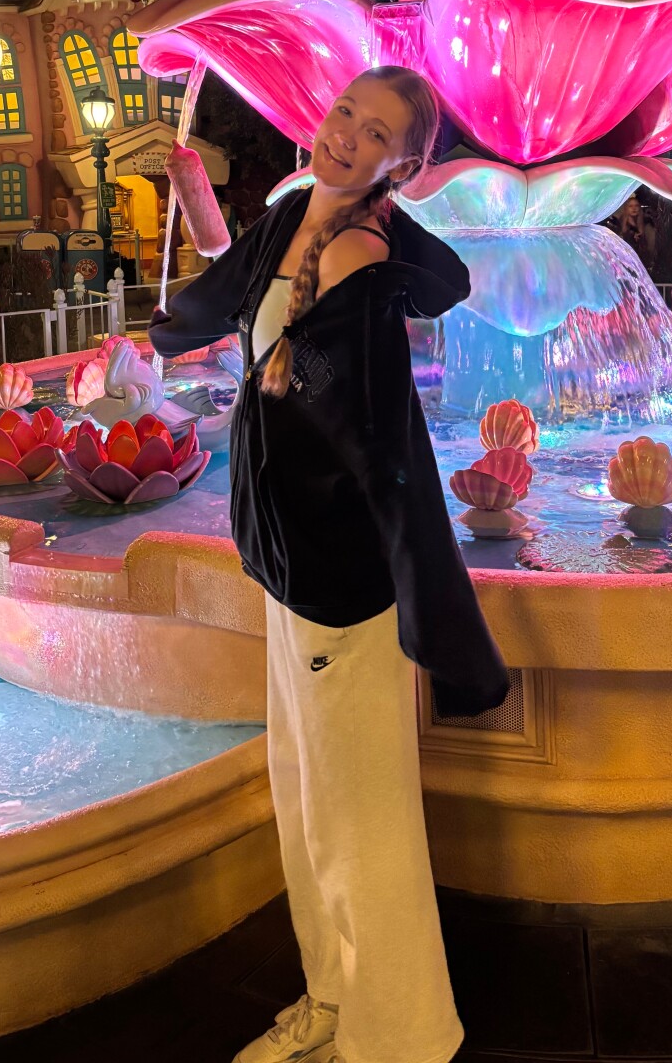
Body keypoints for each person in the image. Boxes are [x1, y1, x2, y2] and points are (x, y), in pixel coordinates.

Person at [149, 66, 508, 1063]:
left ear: (404, 164)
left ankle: (400, 1039)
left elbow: (380, 449)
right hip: (287, 567)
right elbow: (221, 305)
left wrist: (434, 613)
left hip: (341, 583)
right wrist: (176, 297)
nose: (347, 133)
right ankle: (332, 1005)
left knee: (361, 826)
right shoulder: (294, 218)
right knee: (308, 802)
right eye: (347, 111)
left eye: (377, 132)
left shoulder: (355, 259)